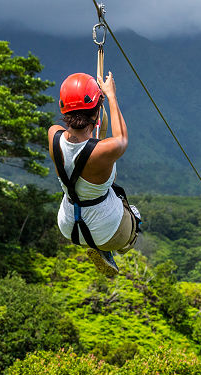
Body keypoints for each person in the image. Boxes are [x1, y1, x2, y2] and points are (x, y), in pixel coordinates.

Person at [48, 71, 140, 277]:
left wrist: (95, 107)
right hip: (107, 228)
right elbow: (122, 139)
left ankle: (102, 246)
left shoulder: (53, 135)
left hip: (68, 225)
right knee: (134, 217)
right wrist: (111, 95)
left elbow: (81, 138)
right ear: (96, 114)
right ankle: (111, 246)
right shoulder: (103, 151)